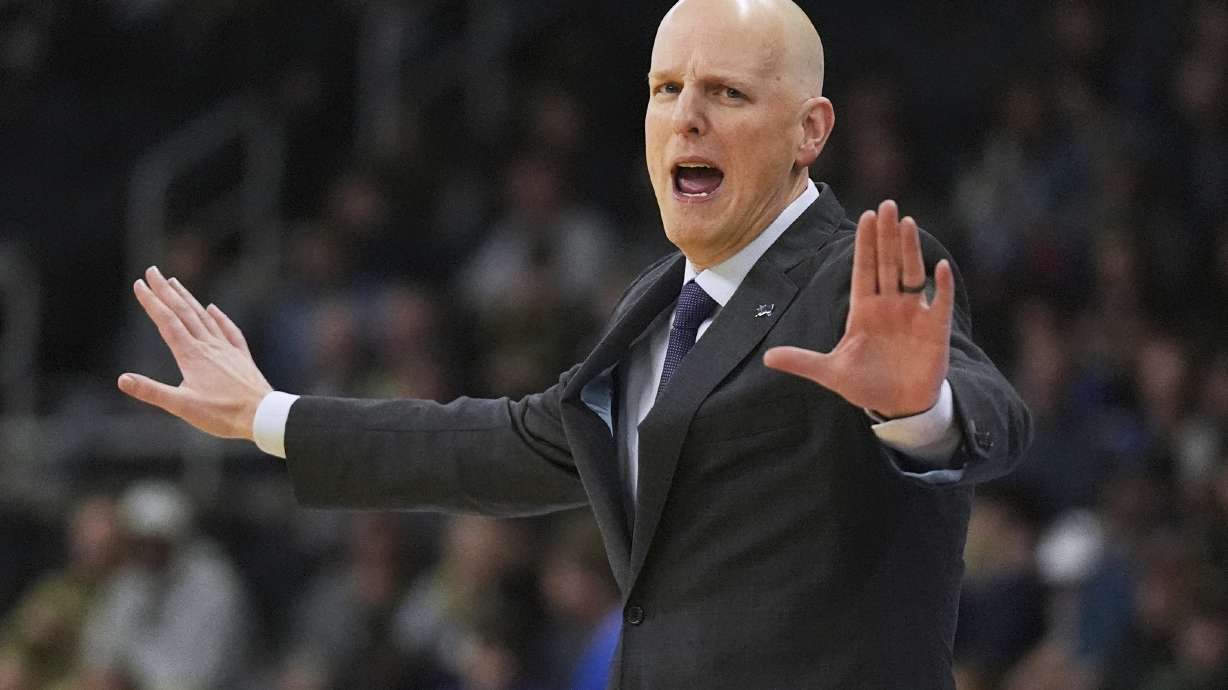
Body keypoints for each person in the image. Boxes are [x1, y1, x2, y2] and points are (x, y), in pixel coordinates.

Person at [116, 0, 1032, 686]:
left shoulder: (852, 278)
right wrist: (269, 415)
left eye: (726, 92)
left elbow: (990, 414)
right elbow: (503, 444)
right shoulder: (658, 305)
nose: (686, 116)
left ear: (810, 130)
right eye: (666, 89)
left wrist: (917, 411)